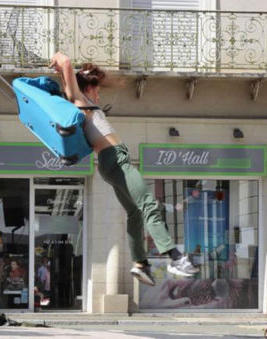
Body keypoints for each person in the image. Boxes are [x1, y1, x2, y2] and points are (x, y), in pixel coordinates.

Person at [49, 52, 201, 287]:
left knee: (135, 213)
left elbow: (69, 82)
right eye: (97, 90)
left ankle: (141, 264)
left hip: (111, 162)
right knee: (149, 204)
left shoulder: (83, 104)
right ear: (88, 88)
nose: (99, 95)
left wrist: (62, 73)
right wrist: (60, 60)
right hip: (116, 160)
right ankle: (174, 257)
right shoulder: (80, 101)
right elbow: (68, 70)